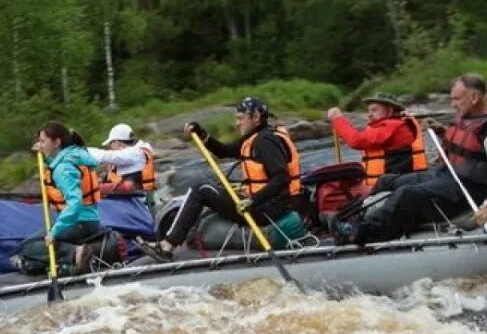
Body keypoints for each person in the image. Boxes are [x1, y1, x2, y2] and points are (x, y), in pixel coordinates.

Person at [344, 73, 487, 244]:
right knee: (386, 181)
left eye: (457, 99)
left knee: (408, 195)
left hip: (462, 192)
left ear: (474, 97)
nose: (453, 104)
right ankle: (352, 218)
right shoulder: (470, 116)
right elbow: (466, 149)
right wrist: (441, 131)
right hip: (445, 175)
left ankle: (361, 233)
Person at [144, 97, 302, 260]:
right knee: (211, 188)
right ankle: (170, 242)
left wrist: (252, 200)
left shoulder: (265, 141)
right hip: (266, 204)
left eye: (241, 118)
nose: (237, 123)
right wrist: (202, 134)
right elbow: (224, 151)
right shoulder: (255, 137)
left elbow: (282, 177)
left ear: (255, 117)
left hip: (268, 209)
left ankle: (167, 245)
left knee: (201, 189)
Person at [14, 122, 103, 274]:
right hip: (86, 219)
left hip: (80, 221)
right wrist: (44, 153)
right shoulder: (73, 155)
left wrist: (55, 232)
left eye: (43, 141)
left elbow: (75, 204)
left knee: (28, 248)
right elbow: (56, 162)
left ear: (57, 142)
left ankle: (76, 253)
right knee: (29, 244)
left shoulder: (63, 169)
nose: (39, 145)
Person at [326, 93, 426, 187]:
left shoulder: (391, 125)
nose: (369, 114)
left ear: (390, 110)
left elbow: (356, 141)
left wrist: (337, 119)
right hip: (395, 181)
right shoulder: (395, 124)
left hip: (393, 184)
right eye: (368, 111)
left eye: (374, 110)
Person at [87, 122, 157, 195]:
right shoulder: (127, 157)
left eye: (111, 143)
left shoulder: (135, 154)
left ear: (117, 143)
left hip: (136, 202)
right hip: (126, 200)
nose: (110, 147)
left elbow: (106, 156)